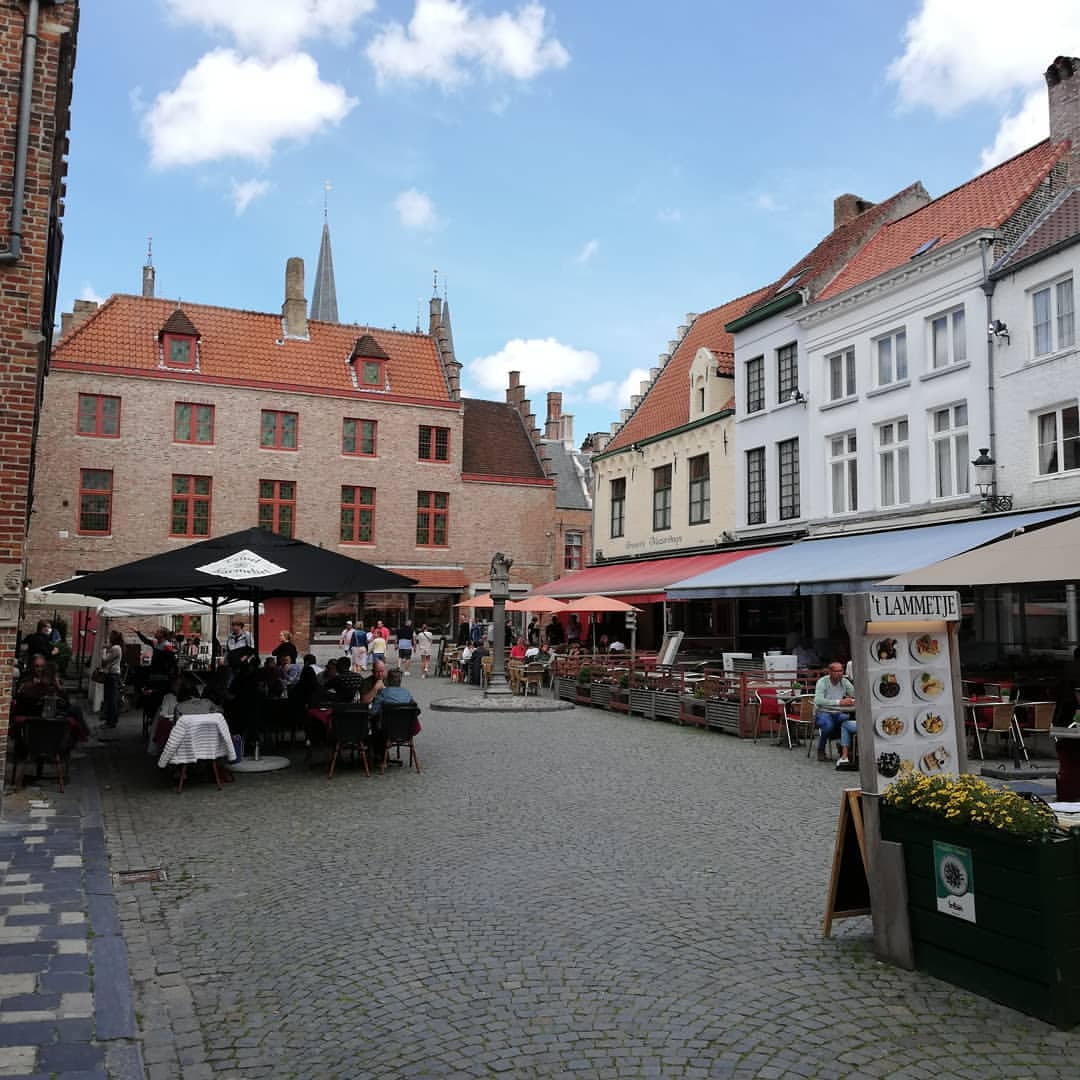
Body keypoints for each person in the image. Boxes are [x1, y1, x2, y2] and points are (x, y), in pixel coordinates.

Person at [814, 661, 856, 762]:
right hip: (822, 712)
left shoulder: (844, 682)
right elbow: (818, 700)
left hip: (838, 713)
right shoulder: (822, 682)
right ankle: (821, 750)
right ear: (830, 672)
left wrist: (851, 700)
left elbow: (855, 694)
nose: (840, 673)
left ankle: (845, 748)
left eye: (841, 670)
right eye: (837, 671)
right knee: (828, 726)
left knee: (848, 721)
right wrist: (839, 702)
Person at [98, 630, 124, 729]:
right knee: (110, 699)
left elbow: (104, 661)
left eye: (110, 636)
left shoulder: (116, 648)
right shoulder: (116, 647)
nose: (109, 637)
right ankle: (110, 721)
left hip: (112, 676)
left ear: (113, 638)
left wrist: (103, 651)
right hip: (112, 675)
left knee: (111, 699)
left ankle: (111, 722)